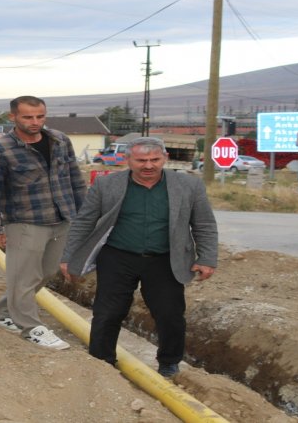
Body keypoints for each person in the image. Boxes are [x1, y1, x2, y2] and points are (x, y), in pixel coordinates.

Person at [59, 136, 218, 378]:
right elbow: (84, 222)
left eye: (155, 159)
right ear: (128, 160)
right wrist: (69, 256)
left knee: (170, 314)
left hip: (165, 259)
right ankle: (102, 362)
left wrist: (207, 257)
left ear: (165, 158)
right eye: (141, 160)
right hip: (117, 256)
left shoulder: (188, 186)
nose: (148, 166)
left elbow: (204, 223)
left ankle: (168, 363)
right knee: (108, 312)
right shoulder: (106, 185)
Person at [0, 95, 87, 350]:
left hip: (62, 218)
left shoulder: (60, 140)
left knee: (47, 271)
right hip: (25, 221)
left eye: (40, 116)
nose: (35, 122)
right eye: (28, 117)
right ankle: (30, 327)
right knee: (24, 276)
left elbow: (75, 179)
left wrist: (84, 216)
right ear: (12, 117)